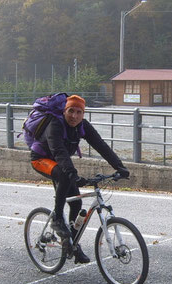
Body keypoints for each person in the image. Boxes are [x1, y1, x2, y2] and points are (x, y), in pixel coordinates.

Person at [30, 94, 129, 263]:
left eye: (78, 112)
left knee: (76, 203)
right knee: (64, 174)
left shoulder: (83, 126)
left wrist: (119, 166)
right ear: (64, 111)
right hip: (42, 159)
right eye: (70, 111)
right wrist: (72, 173)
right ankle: (58, 220)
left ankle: (71, 245)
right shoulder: (55, 124)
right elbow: (58, 151)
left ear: (83, 114)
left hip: (61, 162)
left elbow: (101, 145)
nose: (74, 116)